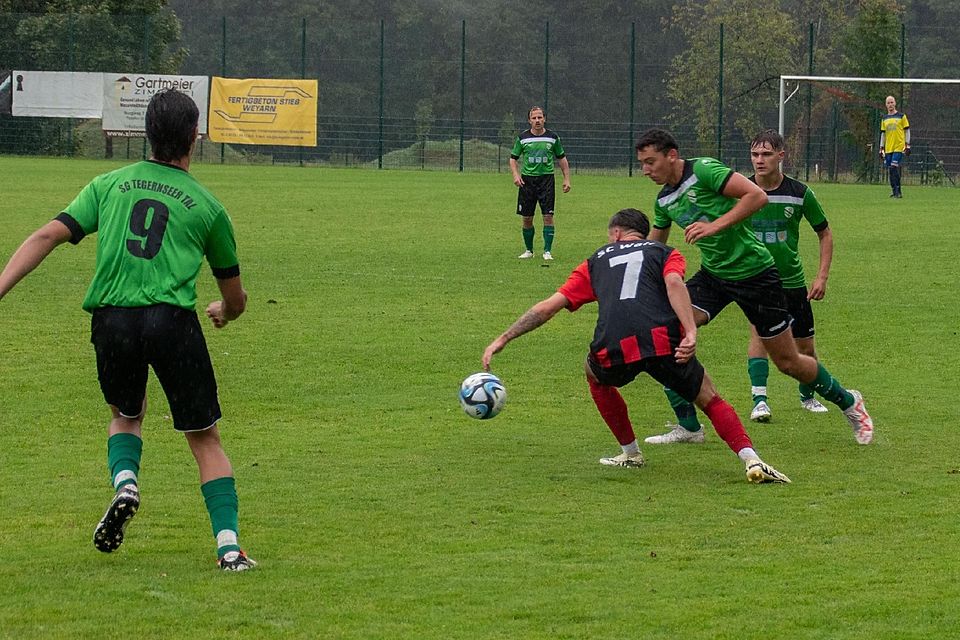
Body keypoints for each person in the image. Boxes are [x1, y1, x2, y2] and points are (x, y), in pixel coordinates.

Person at [0, 89, 255, 571]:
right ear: (194, 138)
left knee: (126, 415)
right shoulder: (207, 207)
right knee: (204, 438)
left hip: (113, 319)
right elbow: (235, 295)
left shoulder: (108, 185)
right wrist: (225, 310)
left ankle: (126, 484)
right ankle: (228, 548)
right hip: (172, 323)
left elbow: (47, 235)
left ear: (146, 135)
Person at [482, 208, 790, 483]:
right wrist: (691, 332)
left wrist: (504, 337)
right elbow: (673, 284)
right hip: (663, 340)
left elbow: (549, 306)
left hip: (613, 343)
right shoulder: (665, 252)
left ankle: (630, 453)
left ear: (616, 232)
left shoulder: (596, 260)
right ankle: (751, 458)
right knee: (710, 398)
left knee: (594, 374)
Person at [634, 127, 874, 447]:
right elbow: (656, 250)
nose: (646, 170)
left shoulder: (704, 170)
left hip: (756, 274)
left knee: (788, 362)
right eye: (642, 164)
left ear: (672, 155)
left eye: (651, 162)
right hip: (713, 277)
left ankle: (849, 403)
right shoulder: (664, 200)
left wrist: (714, 225)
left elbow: (757, 196)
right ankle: (689, 427)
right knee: (664, 332)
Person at [744, 129, 833, 422]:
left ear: (781, 156)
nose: (760, 160)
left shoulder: (800, 193)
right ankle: (759, 400)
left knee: (804, 346)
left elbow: (825, 233)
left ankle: (808, 397)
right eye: (755, 154)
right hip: (757, 279)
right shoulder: (740, 189)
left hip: (792, 281)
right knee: (759, 333)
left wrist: (821, 277)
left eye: (767, 154)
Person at [509, 106, 571, 261]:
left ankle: (547, 251)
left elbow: (562, 158)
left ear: (544, 119)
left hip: (546, 180)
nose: (537, 120)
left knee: (548, 216)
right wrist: (516, 175)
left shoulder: (553, 137)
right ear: (529, 120)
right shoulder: (522, 138)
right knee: (527, 218)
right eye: (534, 118)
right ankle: (529, 250)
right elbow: (513, 159)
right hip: (527, 181)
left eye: (540, 117)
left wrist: (566, 179)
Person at [879, 95, 910, 198]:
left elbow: (907, 130)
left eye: (892, 102)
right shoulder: (884, 119)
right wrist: (881, 147)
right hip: (889, 148)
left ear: (895, 103)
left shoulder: (902, 116)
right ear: (886, 105)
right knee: (891, 169)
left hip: (899, 147)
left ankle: (898, 191)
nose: (890, 104)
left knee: (893, 167)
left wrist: (907, 145)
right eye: (888, 103)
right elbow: (883, 134)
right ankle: (895, 191)